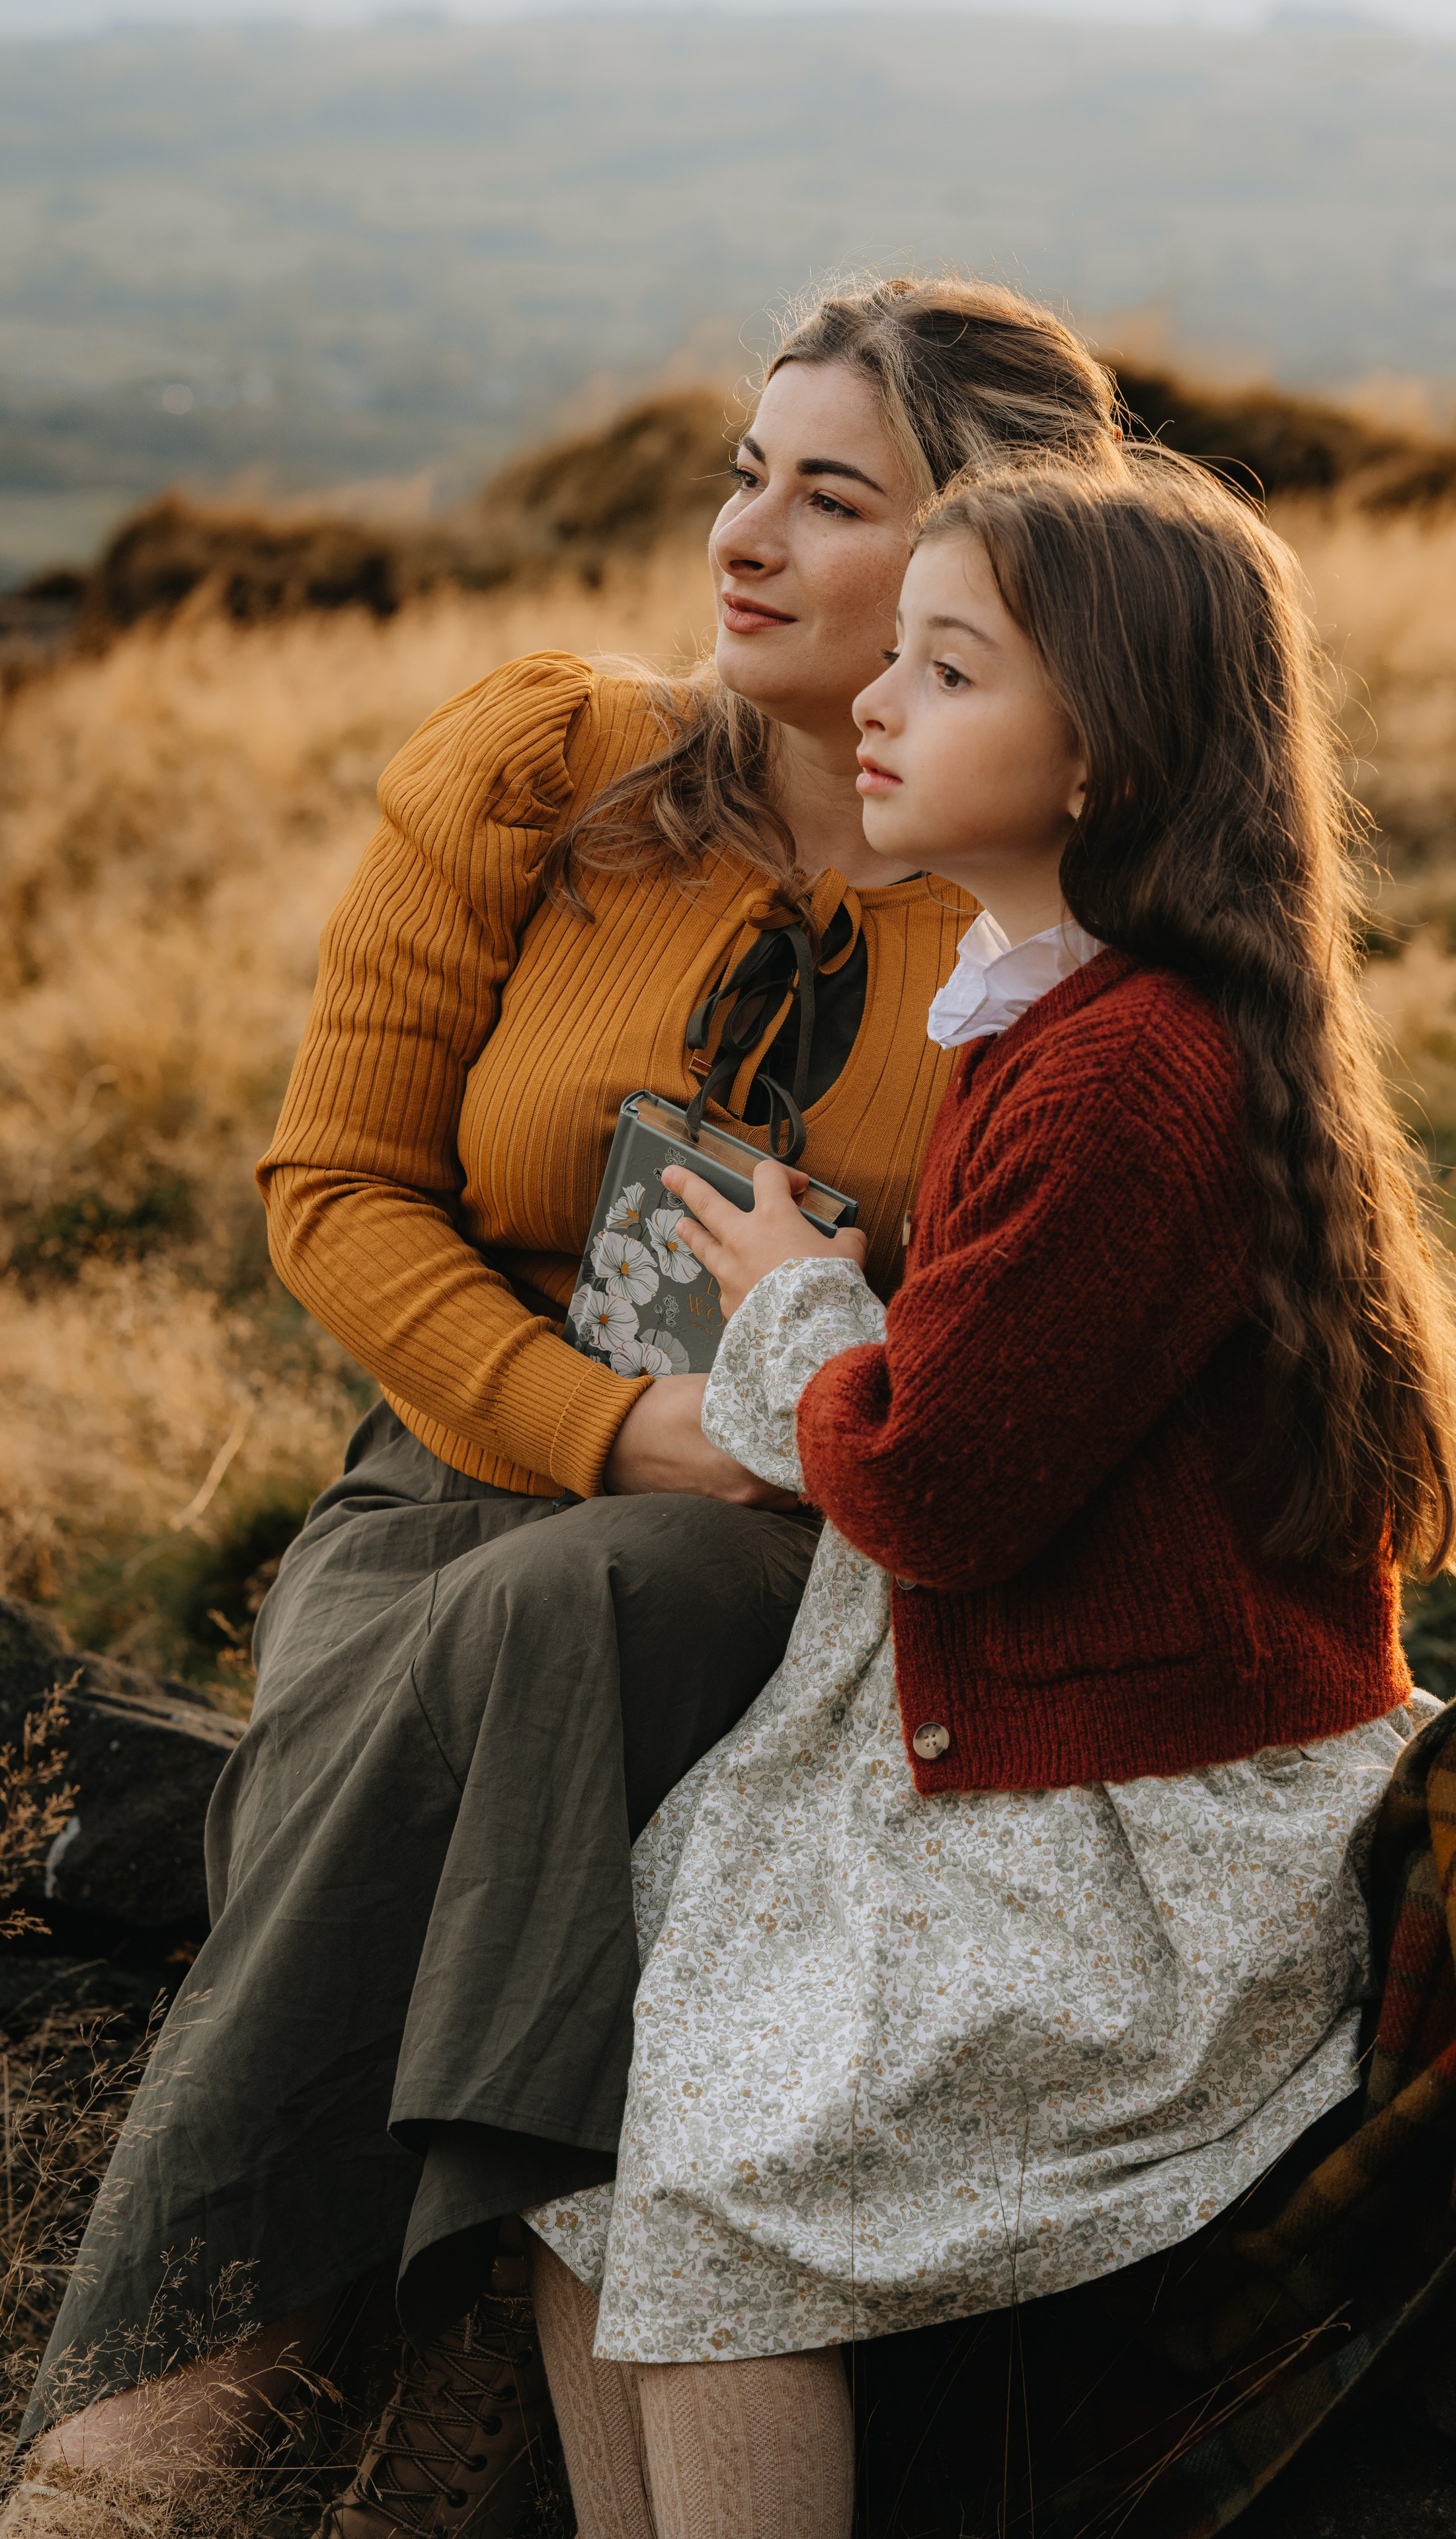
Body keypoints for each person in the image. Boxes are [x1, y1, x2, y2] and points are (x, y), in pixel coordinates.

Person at [5, 284, 1125, 2539]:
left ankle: (178, 2407)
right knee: (429, 1722)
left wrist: (765, 1440)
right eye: (743, 473)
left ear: (976, 571)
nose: (745, 537)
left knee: (569, 1636)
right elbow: (334, 1187)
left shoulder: (1049, 906)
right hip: (450, 1477)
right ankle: (426, 2395)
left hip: (814, 1540)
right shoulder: (544, 763)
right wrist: (597, 1423)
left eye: (833, 501)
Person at [518, 450, 1456, 2539]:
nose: (875, 699)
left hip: (1139, 1826)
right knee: (582, 2195)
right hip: (1025, 1767)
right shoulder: (1049, 1027)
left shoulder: (1129, 1071)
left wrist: (799, 1308)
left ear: (1105, 756)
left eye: (949, 669)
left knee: (710, 2233)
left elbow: (936, 1493)